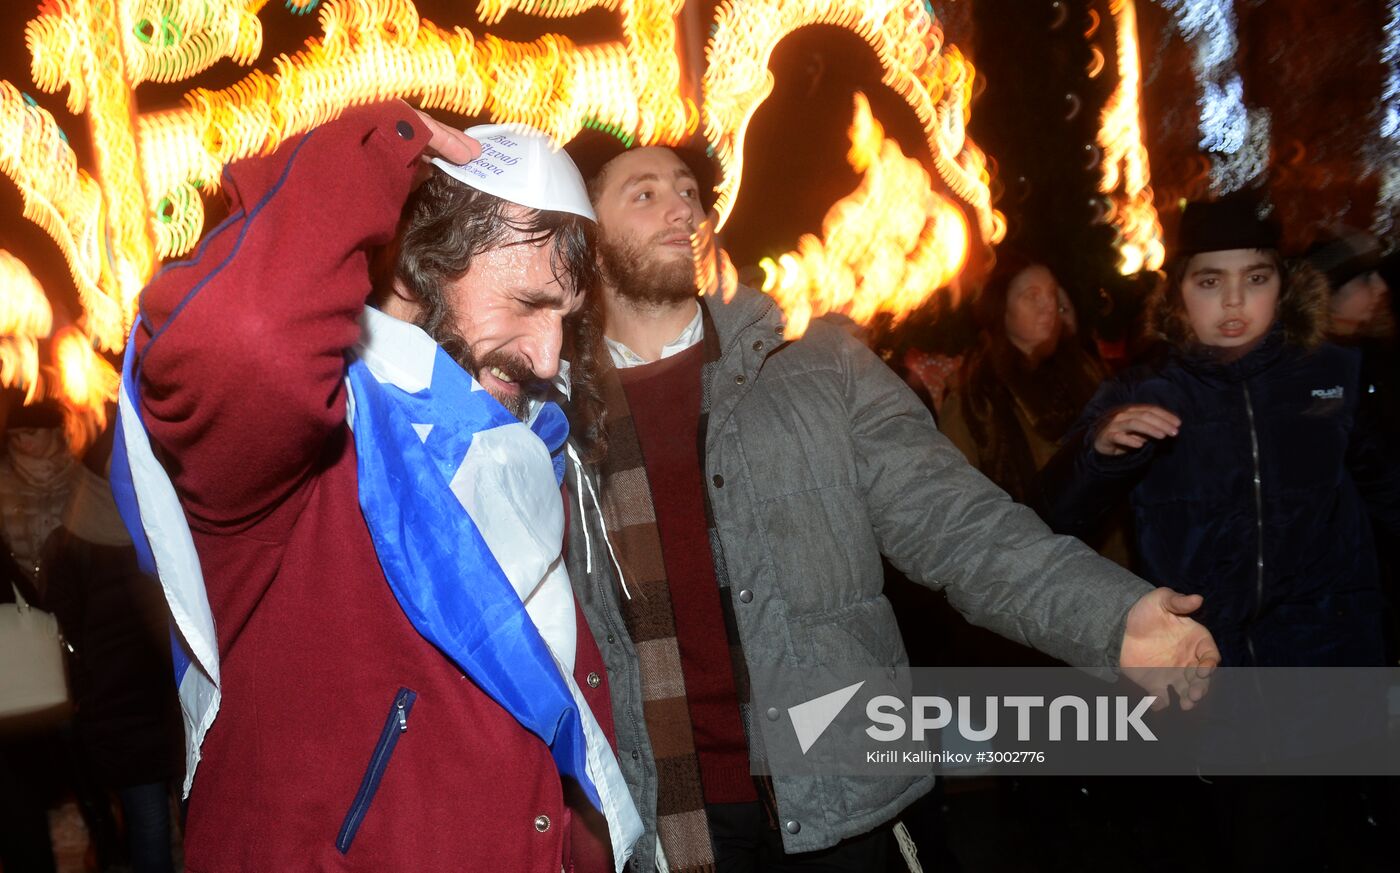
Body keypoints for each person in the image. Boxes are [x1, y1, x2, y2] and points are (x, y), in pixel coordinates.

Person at [562, 141, 1219, 872]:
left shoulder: (815, 366)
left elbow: (958, 522)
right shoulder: (548, 416)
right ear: (586, 231)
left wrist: (1110, 616)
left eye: (689, 190)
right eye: (645, 194)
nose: (682, 206)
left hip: (837, 801)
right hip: (663, 822)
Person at [112, 103, 641, 871]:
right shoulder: (304, 462)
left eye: (566, 315)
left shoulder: (524, 461)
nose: (549, 351)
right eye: (527, 303)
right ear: (408, 273)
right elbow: (241, 336)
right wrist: (370, 152)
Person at [1042, 196, 1398, 669]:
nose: (1234, 300)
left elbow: (1390, 496)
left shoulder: (1336, 374)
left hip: (1330, 660)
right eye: (1210, 281)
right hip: (1201, 666)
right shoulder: (1140, 393)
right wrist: (1097, 452)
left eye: (1255, 278)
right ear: (1179, 293)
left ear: (1283, 287)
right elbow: (1051, 517)